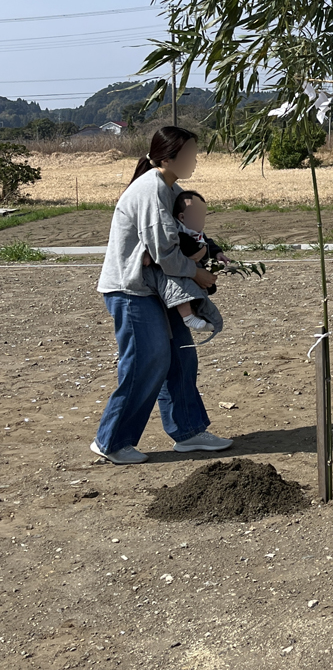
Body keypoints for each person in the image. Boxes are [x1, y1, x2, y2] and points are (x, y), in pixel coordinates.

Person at [91, 126, 233, 464]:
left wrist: (212, 250)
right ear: (167, 158)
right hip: (131, 289)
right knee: (147, 360)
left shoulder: (172, 187)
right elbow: (165, 253)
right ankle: (111, 441)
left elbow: (188, 232)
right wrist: (198, 272)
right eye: (190, 154)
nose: (195, 160)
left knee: (182, 355)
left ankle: (188, 431)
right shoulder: (150, 190)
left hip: (160, 286)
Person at [142, 189, 226, 335]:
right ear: (182, 217)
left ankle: (201, 316)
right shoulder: (177, 231)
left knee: (197, 291)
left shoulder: (195, 231)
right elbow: (160, 245)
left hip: (191, 268)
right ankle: (188, 317)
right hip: (178, 270)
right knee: (180, 289)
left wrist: (217, 253)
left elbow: (207, 242)